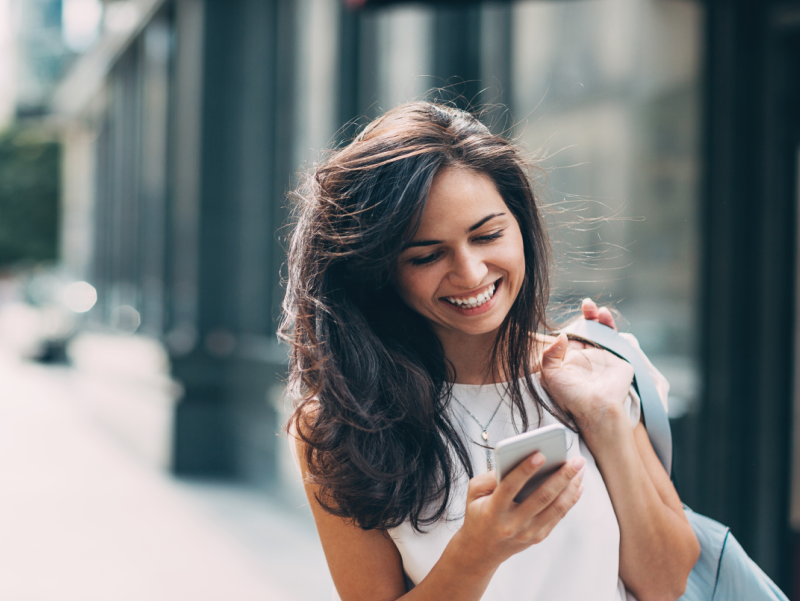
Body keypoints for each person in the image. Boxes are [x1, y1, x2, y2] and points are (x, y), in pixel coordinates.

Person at [280, 102, 700, 601]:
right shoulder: (340, 424)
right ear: (380, 270)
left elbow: (667, 583)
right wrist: (478, 552)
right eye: (428, 255)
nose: (472, 274)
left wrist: (605, 419)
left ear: (520, 225)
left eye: (488, 235)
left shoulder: (592, 372)